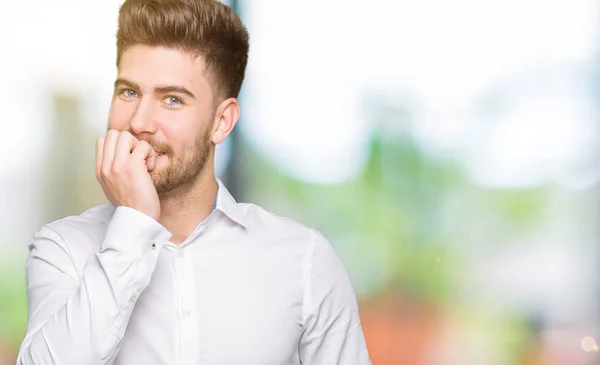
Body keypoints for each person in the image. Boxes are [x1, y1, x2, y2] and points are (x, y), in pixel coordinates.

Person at [17, 0, 372, 364]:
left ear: (222, 122)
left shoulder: (305, 262)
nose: (139, 121)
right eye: (128, 92)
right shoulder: (62, 249)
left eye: (172, 99)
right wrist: (135, 223)